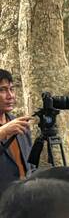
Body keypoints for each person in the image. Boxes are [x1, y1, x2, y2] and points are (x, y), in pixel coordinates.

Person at [0, 69, 32, 198]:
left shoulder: (18, 124)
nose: (10, 95)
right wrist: (2, 132)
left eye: (11, 89)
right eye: (2, 90)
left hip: (23, 200)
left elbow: (29, 164)